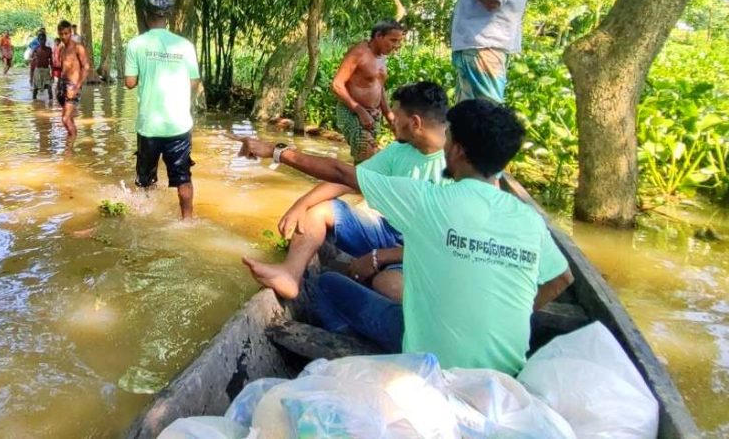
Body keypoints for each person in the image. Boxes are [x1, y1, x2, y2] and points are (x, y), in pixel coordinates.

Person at [232, 99, 573, 374]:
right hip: (503, 373)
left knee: (327, 285)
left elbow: (339, 172)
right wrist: (510, 314)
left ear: (458, 151)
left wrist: (273, 151)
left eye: (451, 137)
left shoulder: (429, 201)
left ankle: (357, 353)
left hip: (431, 362)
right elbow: (563, 278)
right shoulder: (529, 220)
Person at [243, 81, 449, 307]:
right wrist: (300, 205)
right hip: (388, 230)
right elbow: (345, 178)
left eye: (396, 115)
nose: (391, 119)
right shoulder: (398, 151)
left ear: (415, 122)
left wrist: (379, 257)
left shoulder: (457, 168)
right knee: (318, 210)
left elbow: (443, 247)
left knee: (388, 285)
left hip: (423, 251)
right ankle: (290, 274)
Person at [124, 0, 201, 220]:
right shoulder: (185, 45)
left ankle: (147, 218)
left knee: (145, 179)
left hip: (149, 125)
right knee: (183, 178)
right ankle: (187, 220)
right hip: (178, 125)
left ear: (146, 13)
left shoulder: (136, 44)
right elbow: (194, 82)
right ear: (168, 15)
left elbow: (129, 82)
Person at [332, 20, 406, 163]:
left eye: (398, 41)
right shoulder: (359, 52)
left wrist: (389, 115)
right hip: (352, 112)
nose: (396, 46)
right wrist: (360, 111)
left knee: (366, 162)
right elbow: (336, 85)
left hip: (372, 115)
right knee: (366, 155)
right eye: (393, 40)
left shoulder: (383, 56)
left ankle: (352, 184)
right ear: (378, 36)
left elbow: (379, 88)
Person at [56, 21, 90, 136]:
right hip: (62, 85)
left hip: (73, 86)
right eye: (61, 34)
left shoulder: (77, 47)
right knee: (68, 119)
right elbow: (62, 68)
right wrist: (58, 84)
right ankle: (71, 145)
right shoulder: (61, 48)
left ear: (71, 33)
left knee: (65, 119)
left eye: (66, 33)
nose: (63, 36)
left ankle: (69, 150)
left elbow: (86, 67)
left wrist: (77, 87)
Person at [29, 29, 53, 102]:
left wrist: (53, 74)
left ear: (45, 40)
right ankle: (34, 103)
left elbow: (51, 62)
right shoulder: (36, 49)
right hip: (38, 71)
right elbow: (32, 62)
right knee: (35, 89)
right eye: (41, 39)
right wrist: (31, 77)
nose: (42, 41)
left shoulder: (49, 49)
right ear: (38, 40)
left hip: (46, 70)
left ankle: (51, 103)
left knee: (49, 88)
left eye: (43, 39)